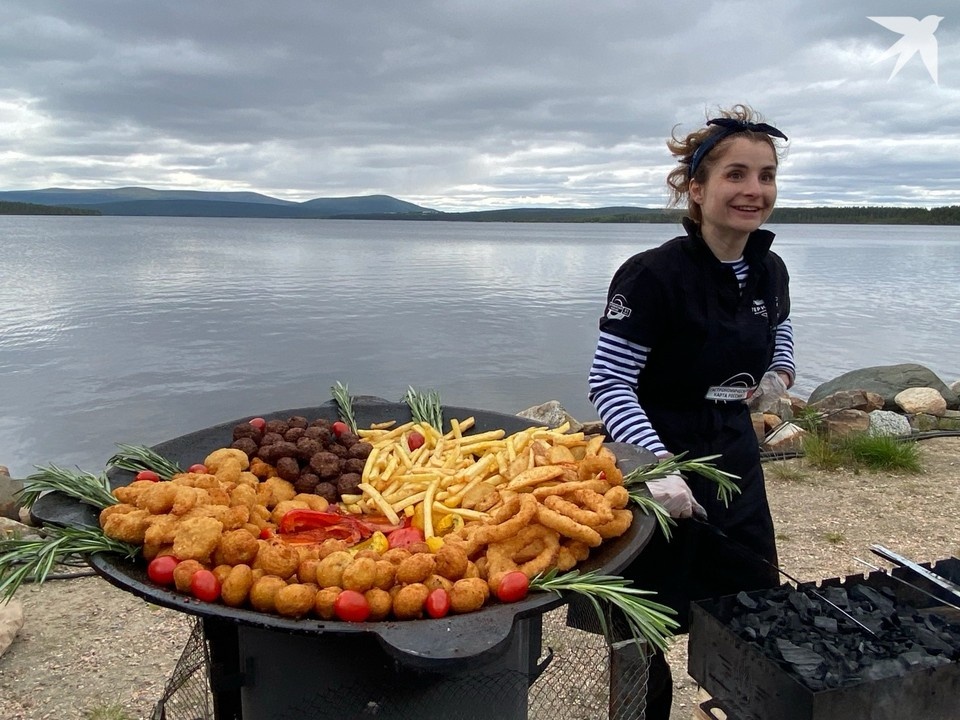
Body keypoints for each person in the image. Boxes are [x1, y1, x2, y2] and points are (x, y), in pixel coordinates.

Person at [587, 104, 795, 719]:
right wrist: (657, 469)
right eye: (736, 174)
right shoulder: (651, 275)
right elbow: (609, 381)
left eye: (766, 175)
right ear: (697, 189)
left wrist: (779, 376)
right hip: (655, 449)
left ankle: (741, 704)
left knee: (752, 598)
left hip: (733, 449)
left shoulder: (768, 268)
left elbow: (781, 328)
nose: (754, 190)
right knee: (643, 623)